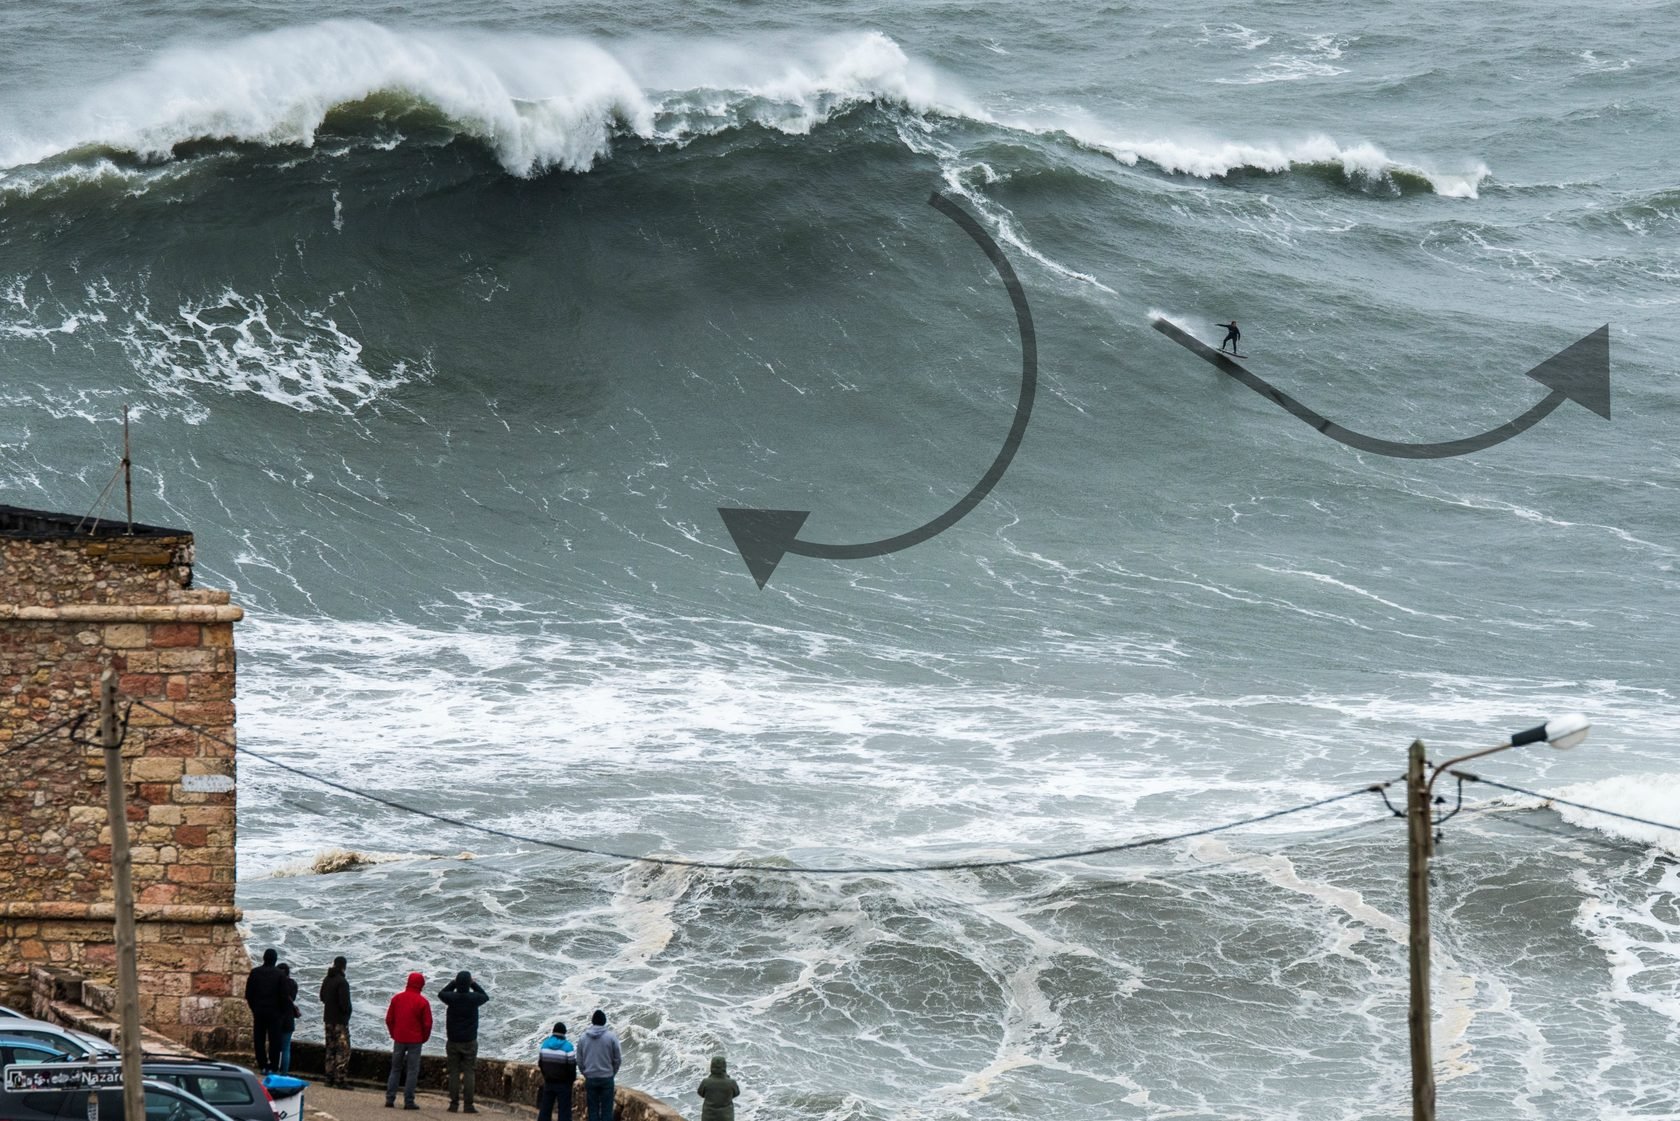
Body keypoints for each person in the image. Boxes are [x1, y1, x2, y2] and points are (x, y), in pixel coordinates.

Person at [438, 971, 489, 1114]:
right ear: (468, 984)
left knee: (453, 1072)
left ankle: (453, 1104)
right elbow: (485, 996)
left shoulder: (451, 998)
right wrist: (473, 983)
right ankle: (468, 1105)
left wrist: (454, 982)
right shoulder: (474, 999)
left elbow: (441, 993)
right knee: (469, 1073)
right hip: (469, 1041)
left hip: (453, 1041)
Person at [384, 972, 433, 1110]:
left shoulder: (397, 998)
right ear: (421, 985)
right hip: (415, 1040)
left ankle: (390, 1098)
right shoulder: (423, 1002)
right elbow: (427, 1024)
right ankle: (408, 1101)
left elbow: (389, 1019)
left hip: (399, 1038)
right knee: (412, 1071)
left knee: (395, 1069)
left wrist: (393, 1033)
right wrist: (424, 1038)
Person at [243, 947, 286, 1075]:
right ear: (275, 960)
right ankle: (273, 1066)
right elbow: (284, 995)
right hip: (275, 1012)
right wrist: (282, 1012)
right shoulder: (280, 974)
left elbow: (249, 994)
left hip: (259, 1010)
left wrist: (254, 1008)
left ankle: (262, 1064)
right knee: (275, 1040)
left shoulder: (255, 972)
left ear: (264, 958)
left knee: (259, 1038)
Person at [573, 1009, 621, 1121]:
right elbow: (617, 1059)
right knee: (607, 1111)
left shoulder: (583, 1038)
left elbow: (579, 1060)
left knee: (593, 1110)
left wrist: (585, 1073)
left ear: (593, 1021)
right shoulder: (611, 1037)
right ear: (604, 1021)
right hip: (607, 1078)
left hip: (591, 1077)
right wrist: (612, 1073)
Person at [320, 957, 353, 1089]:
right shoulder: (342, 982)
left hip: (328, 1019)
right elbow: (344, 1004)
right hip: (339, 1021)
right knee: (343, 1050)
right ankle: (339, 1079)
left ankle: (329, 1078)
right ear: (344, 966)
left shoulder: (327, 979)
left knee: (330, 1048)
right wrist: (347, 1013)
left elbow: (322, 997)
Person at [535, 1022, 577, 1121]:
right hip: (563, 1084)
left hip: (549, 1082)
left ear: (553, 1032)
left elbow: (541, 1063)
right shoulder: (568, 1047)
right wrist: (570, 1081)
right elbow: (572, 1067)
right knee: (564, 1112)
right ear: (564, 1033)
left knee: (545, 1110)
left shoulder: (545, 1045)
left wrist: (546, 1076)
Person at [696, 1055, 740, 1121]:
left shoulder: (706, 1082)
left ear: (712, 1067)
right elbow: (736, 1093)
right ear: (724, 1066)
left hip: (709, 1117)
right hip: (726, 1117)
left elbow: (700, 1093)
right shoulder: (731, 1082)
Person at [277, 963, 300, 1075]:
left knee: (275, 1046)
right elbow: (293, 997)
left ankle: (273, 1069)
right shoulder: (293, 984)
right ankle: (284, 1072)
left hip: (276, 1018)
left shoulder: (275, 984)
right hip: (288, 1018)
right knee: (286, 1048)